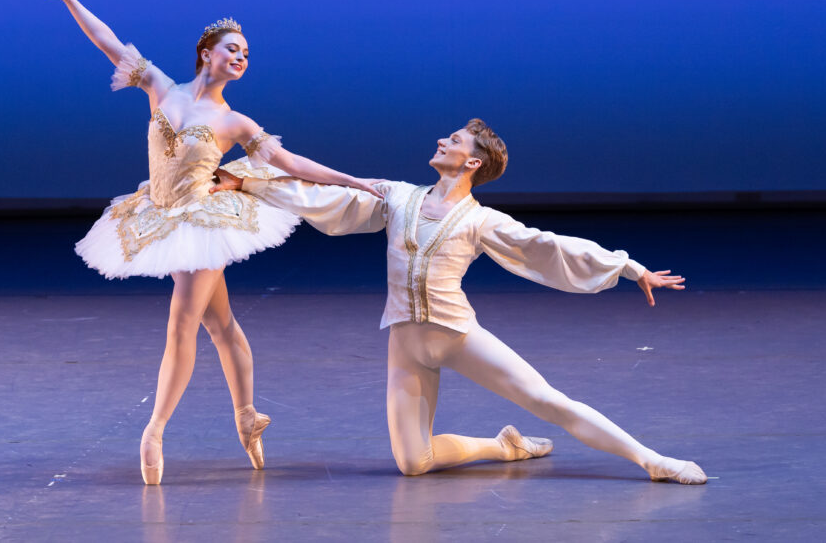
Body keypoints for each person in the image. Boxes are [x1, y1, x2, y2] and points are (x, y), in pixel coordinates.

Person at [25, 0, 380, 485]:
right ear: (206, 52)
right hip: (162, 216)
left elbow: (292, 163)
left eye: (247, 54)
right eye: (233, 48)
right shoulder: (161, 88)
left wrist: (350, 179)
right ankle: (247, 417)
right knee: (221, 324)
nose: (240, 57)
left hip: (203, 222)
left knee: (182, 322)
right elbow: (107, 43)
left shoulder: (236, 123)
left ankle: (154, 431)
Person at [212, 118, 707, 484]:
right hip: (405, 342)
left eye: (453, 141)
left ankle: (651, 460)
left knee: (547, 400)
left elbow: (548, 245)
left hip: (455, 335)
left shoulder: (480, 220)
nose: (440, 141)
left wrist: (627, 266)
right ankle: (504, 446)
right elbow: (325, 196)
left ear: (472, 162)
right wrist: (250, 181)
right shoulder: (397, 196)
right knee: (413, 463)